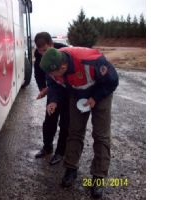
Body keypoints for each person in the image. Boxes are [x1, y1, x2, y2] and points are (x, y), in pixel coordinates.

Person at [40, 47, 118, 198]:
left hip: (100, 93)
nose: (50, 76)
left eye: (53, 73)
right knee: (74, 131)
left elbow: (112, 81)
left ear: (63, 67)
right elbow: (54, 84)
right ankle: (71, 168)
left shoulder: (92, 62)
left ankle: (98, 177)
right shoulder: (52, 66)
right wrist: (54, 101)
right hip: (76, 93)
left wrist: (95, 98)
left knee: (101, 135)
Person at [33, 32, 69, 165]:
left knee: (65, 124)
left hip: (67, 93)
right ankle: (47, 147)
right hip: (53, 91)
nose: (43, 54)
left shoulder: (63, 52)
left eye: (46, 50)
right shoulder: (38, 58)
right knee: (49, 121)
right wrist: (43, 89)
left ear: (52, 44)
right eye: (40, 51)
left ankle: (60, 152)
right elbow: (38, 74)